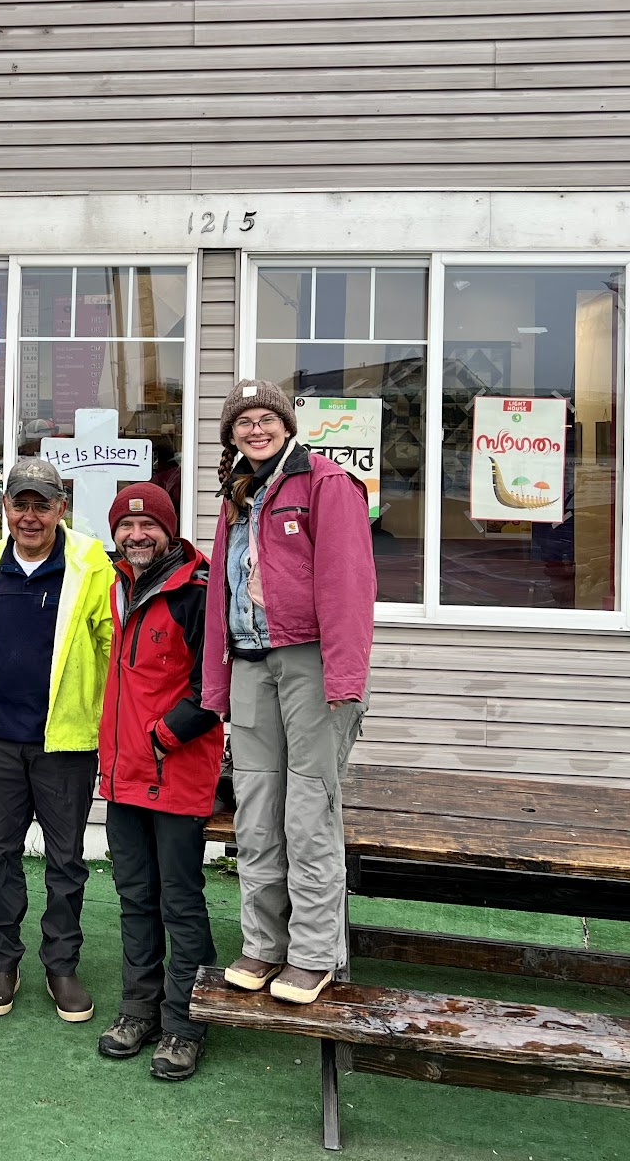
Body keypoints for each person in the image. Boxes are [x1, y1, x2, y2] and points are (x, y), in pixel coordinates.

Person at [203, 380, 375, 1006]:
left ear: (286, 424)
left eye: (265, 418)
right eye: (243, 421)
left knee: (307, 813)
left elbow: (348, 585)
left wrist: (345, 678)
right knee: (255, 811)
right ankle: (263, 944)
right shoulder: (237, 494)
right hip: (251, 664)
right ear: (232, 434)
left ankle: (313, 954)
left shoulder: (327, 484)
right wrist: (216, 682)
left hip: (312, 666)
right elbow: (222, 594)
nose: (256, 430)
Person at [0, 455, 114, 1023]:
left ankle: (61, 965)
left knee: (66, 860)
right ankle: (3, 962)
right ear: (4, 508)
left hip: (66, 743)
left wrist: (111, 723)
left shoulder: (91, 568)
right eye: (20, 503)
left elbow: (114, 649)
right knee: (1, 852)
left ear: (60, 509)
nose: (30, 516)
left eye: (41, 505)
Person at [95, 482, 221, 1081]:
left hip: (175, 771)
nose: (136, 535)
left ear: (169, 532)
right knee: (135, 898)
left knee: (180, 903)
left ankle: (186, 1024)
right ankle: (139, 1010)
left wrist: (164, 735)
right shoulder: (120, 586)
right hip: (125, 775)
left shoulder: (196, 591)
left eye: (148, 526)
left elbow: (214, 686)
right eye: (126, 525)